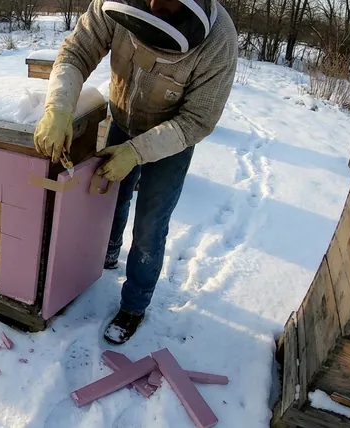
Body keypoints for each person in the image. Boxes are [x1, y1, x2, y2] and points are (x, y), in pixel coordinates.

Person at [34, 0, 238, 344]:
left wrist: (137, 151)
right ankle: (108, 253)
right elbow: (76, 52)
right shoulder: (111, 4)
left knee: (150, 226)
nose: (156, 4)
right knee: (110, 199)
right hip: (122, 119)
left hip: (172, 138)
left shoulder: (219, 42)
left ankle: (134, 305)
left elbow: (197, 120)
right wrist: (58, 107)